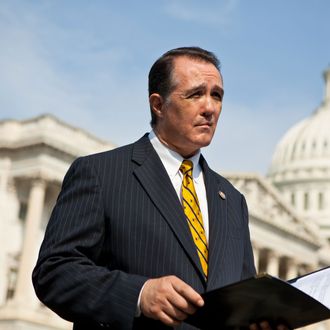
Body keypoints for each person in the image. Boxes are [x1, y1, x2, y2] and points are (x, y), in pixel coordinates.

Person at [32, 47, 256, 330]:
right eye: (195, 94)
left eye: (217, 95)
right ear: (158, 105)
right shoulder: (101, 173)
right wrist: (138, 294)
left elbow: (243, 298)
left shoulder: (233, 201)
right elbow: (53, 273)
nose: (210, 107)